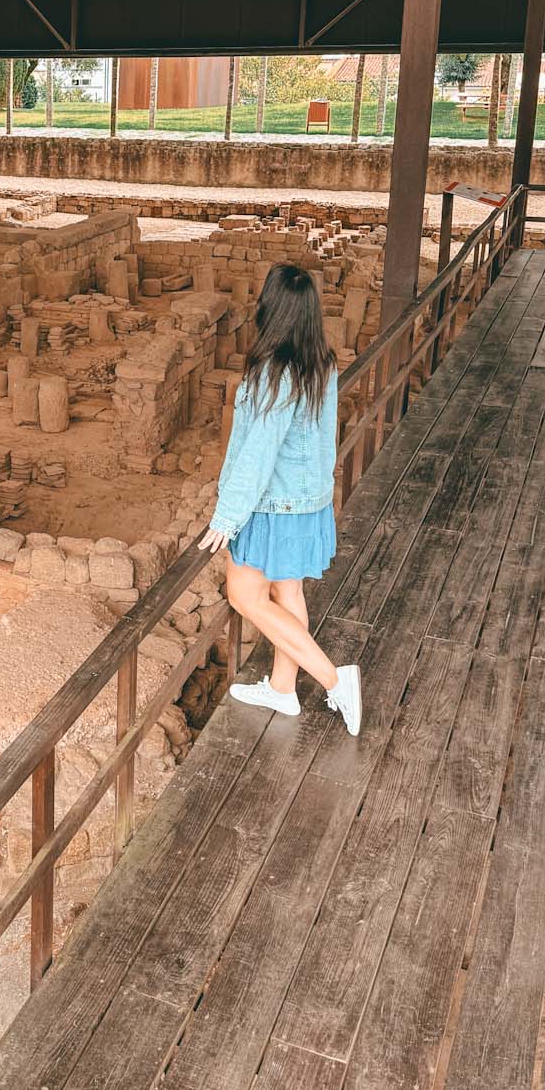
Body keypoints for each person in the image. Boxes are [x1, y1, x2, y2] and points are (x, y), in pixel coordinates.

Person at [198, 262, 361, 735]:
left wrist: (226, 518)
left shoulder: (274, 371)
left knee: (244, 594)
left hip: (276, 505)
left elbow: (257, 452)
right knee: (287, 591)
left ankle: (334, 678)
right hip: (309, 500)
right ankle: (283, 689)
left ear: (271, 308)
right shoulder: (321, 362)